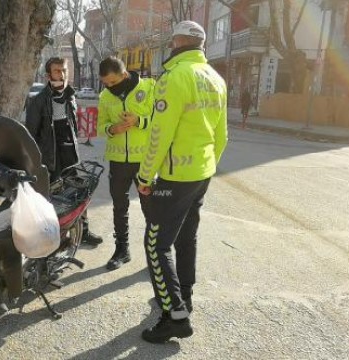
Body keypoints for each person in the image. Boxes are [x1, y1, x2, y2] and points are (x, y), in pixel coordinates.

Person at [135, 20, 228, 343]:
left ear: (178, 42)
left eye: (172, 41)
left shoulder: (174, 78)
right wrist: (208, 165)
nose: (170, 46)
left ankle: (174, 314)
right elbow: (222, 135)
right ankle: (184, 296)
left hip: (175, 177)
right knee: (186, 238)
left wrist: (145, 176)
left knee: (156, 244)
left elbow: (159, 135)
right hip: (201, 172)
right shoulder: (215, 79)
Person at [26, 57, 103, 246]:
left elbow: (73, 127)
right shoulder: (38, 101)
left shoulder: (70, 96)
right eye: (57, 71)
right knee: (53, 199)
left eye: (64, 70)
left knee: (78, 192)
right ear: (48, 75)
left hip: (70, 155)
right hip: (50, 159)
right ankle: (55, 237)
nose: (62, 74)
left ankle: (83, 231)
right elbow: (31, 135)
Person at [97, 56, 155, 271]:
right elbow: (100, 127)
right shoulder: (104, 97)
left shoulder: (149, 88)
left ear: (124, 74)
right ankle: (122, 250)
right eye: (105, 83)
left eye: (112, 82)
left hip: (145, 161)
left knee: (151, 209)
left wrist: (138, 121)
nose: (109, 87)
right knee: (119, 207)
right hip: (118, 161)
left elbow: (160, 120)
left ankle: (155, 254)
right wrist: (113, 129)